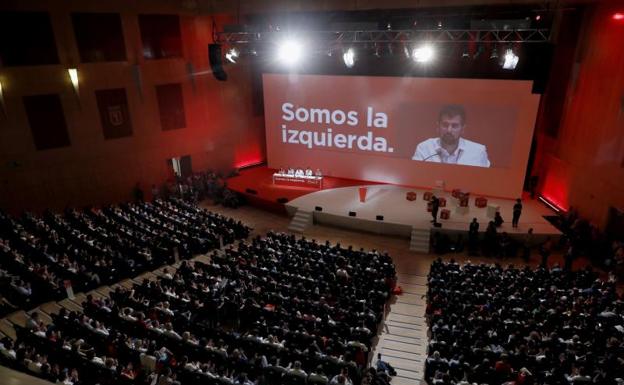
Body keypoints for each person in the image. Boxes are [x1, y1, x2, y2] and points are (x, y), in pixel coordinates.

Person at [412, 104, 490, 167]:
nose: (449, 130)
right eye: (445, 125)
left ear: (462, 129)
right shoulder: (424, 149)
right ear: (438, 126)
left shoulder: (478, 152)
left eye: (454, 126)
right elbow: (415, 177)